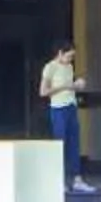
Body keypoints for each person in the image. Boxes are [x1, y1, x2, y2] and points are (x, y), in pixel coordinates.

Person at [41, 43, 89, 191]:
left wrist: (76, 85)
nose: (70, 59)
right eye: (69, 56)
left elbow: (70, 86)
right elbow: (43, 91)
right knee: (60, 144)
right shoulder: (50, 67)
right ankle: (59, 180)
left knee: (74, 144)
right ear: (60, 53)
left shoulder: (69, 67)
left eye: (72, 57)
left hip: (71, 106)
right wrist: (66, 86)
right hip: (58, 109)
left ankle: (77, 179)